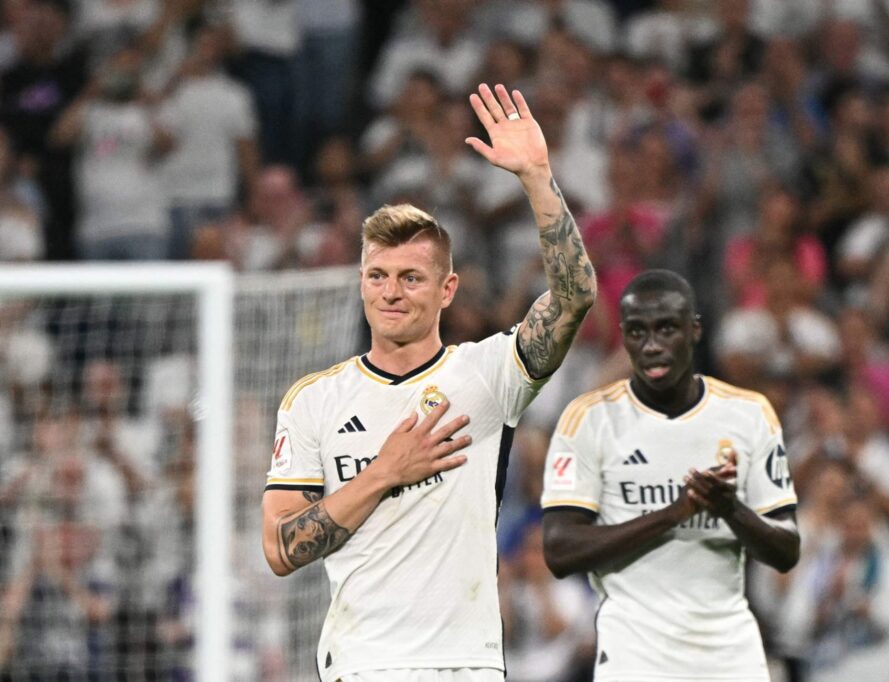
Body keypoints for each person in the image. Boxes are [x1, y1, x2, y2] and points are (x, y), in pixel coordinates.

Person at [260, 83, 596, 681]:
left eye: (412, 278)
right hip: (363, 666)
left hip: (465, 667)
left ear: (447, 290)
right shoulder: (314, 401)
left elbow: (574, 300)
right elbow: (282, 549)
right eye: (378, 275)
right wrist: (387, 470)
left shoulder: (487, 375)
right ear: (361, 281)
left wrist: (538, 178)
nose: (391, 292)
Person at [541, 269, 800, 681]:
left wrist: (730, 508)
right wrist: (671, 515)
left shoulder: (749, 414)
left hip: (729, 656)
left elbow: (786, 550)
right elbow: (558, 550)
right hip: (634, 657)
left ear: (694, 330)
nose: (652, 346)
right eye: (638, 332)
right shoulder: (588, 419)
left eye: (666, 329)